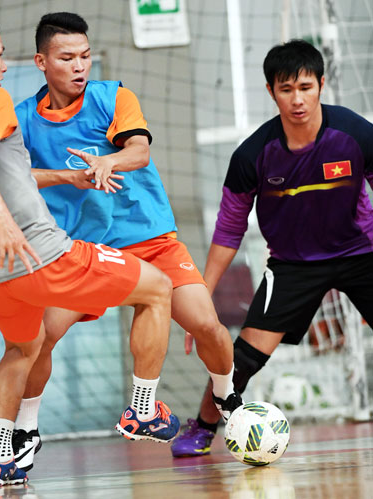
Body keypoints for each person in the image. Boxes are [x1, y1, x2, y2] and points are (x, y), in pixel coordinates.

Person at [0, 11, 241, 472]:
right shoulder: (20, 117)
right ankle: (27, 430)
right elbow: (11, 178)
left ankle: (227, 397)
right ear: (42, 62)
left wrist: (110, 162)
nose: (80, 65)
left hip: (150, 239)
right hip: (81, 248)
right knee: (38, 339)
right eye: (68, 57)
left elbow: (139, 149)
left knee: (206, 324)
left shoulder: (114, 96)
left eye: (85, 55)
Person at [170, 38, 373, 457]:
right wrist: (201, 295)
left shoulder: (355, 135)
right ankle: (205, 425)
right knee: (243, 357)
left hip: (361, 252)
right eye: (286, 89)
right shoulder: (253, 155)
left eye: (305, 87)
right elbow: (229, 230)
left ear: (321, 84)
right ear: (271, 91)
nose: (297, 99)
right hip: (293, 264)